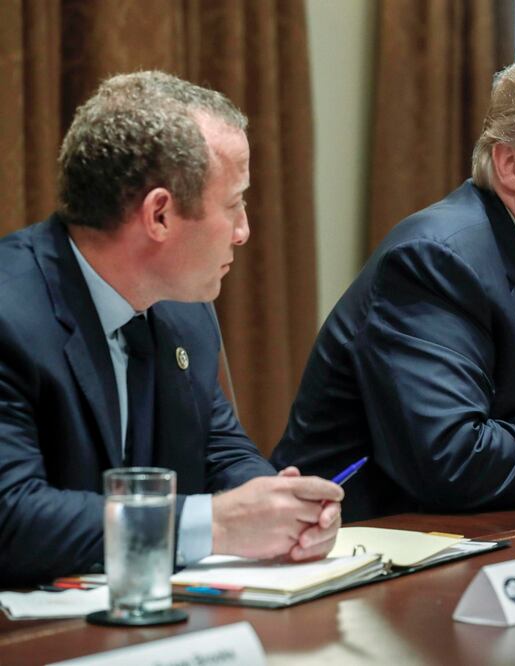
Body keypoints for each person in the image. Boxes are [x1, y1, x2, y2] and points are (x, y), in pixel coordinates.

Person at [272, 53, 515, 522]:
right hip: (361, 545)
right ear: (510, 166)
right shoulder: (438, 261)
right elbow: (451, 458)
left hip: (512, 535)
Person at [0, 71, 343, 586]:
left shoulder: (184, 309)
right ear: (159, 215)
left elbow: (219, 448)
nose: (244, 232)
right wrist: (219, 525)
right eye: (234, 206)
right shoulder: (10, 312)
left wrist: (282, 507)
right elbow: (12, 517)